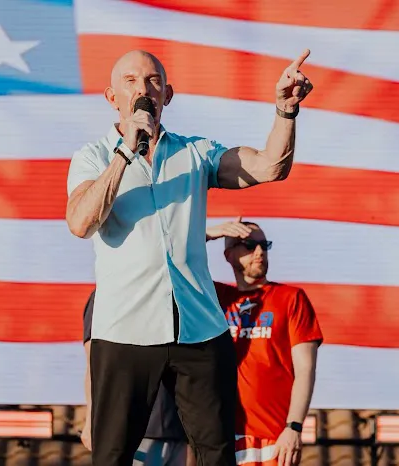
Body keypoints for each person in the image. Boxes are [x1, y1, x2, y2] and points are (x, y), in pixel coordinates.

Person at [65, 48, 314, 466]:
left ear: (167, 95)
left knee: (216, 454)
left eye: (153, 81)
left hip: (199, 330)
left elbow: (270, 167)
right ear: (112, 97)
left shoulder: (196, 152)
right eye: (130, 81)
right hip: (125, 331)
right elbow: (80, 222)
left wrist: (285, 112)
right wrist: (125, 153)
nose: (143, 90)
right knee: (112, 456)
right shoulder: (92, 157)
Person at [206, 218, 323, 466]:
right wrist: (209, 234)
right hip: (221, 436)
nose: (259, 252)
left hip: (275, 437)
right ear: (228, 255)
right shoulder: (216, 297)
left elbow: (305, 369)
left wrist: (294, 426)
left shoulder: (291, 298)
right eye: (249, 245)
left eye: (264, 245)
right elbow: (171, 262)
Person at [81, 289, 196, 466]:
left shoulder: (179, 292)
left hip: (178, 428)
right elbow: (94, 364)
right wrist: (91, 420)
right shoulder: (107, 293)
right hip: (133, 427)